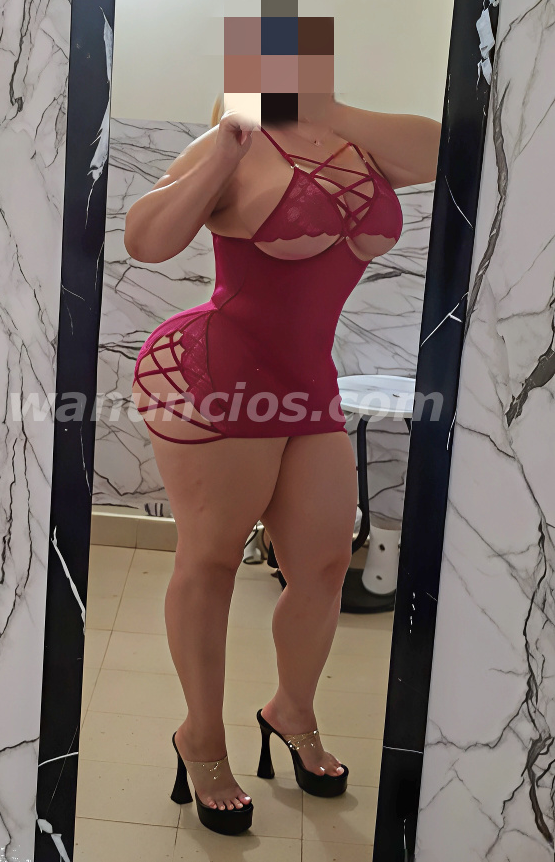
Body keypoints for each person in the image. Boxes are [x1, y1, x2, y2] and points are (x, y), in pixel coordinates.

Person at [124, 73, 440, 833]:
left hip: (306, 384)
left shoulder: (360, 141)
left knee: (325, 562)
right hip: (215, 372)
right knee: (210, 560)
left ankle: (290, 709)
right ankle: (201, 736)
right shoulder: (234, 140)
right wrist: (224, 150)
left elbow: (448, 151)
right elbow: (145, 241)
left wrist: (323, 106)